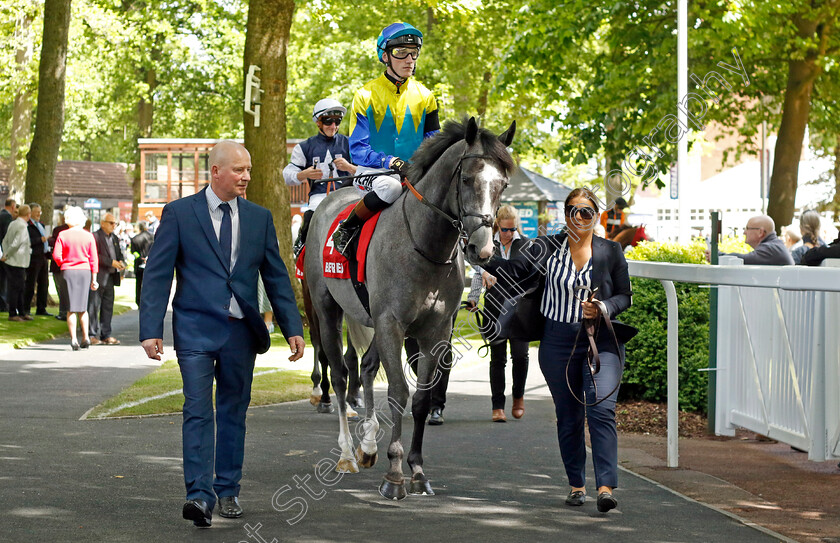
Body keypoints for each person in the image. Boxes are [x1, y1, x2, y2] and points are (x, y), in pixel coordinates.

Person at [139, 140, 305, 528]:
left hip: (240, 333)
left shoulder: (260, 218)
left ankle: (227, 488)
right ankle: (198, 496)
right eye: (238, 170)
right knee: (197, 411)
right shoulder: (179, 213)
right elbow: (159, 274)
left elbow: (277, 277)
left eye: (248, 170)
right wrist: (150, 330)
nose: (246, 176)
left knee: (233, 411)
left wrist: (292, 327)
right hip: (194, 329)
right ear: (215, 171)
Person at [482, 188, 633, 513]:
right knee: (569, 415)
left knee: (601, 409)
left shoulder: (610, 250)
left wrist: (604, 307)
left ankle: (605, 486)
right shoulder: (546, 248)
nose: (580, 217)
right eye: (574, 211)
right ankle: (577, 484)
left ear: (595, 215)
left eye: (587, 211)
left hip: (600, 342)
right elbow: (513, 270)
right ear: (565, 215)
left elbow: (624, 296)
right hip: (557, 342)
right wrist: (480, 258)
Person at [331, 21, 440, 256]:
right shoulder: (365, 95)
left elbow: (435, 143)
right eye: (401, 52)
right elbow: (358, 150)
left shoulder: (427, 97)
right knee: (390, 187)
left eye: (414, 52)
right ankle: (347, 229)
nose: (409, 59)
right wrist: (390, 162)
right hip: (374, 174)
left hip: (414, 174)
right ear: (385, 56)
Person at [467, 206, 532, 422]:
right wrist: (474, 296)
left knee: (521, 356)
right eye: (505, 229)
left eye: (513, 229)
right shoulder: (489, 245)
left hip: (520, 309)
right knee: (497, 358)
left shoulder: (526, 245)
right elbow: (480, 273)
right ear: (497, 226)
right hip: (495, 307)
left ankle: (519, 397)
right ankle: (497, 406)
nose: (510, 233)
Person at [283, 98, 357, 256]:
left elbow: (367, 171)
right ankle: (302, 242)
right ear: (318, 122)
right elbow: (287, 176)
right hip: (320, 196)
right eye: (329, 121)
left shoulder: (350, 144)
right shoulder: (304, 147)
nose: (334, 126)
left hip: (348, 194)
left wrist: (349, 167)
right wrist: (304, 174)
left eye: (337, 121)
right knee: (311, 212)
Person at [53, 207, 98, 349]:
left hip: (68, 271)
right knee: (83, 308)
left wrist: (64, 263)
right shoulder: (88, 236)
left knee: (70, 308)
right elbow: (94, 259)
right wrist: (94, 278)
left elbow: (56, 255)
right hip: (85, 271)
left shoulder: (62, 235)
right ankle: (86, 337)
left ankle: (74, 339)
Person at [88, 213, 126, 345]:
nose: (113, 226)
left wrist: (121, 262)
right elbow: (94, 255)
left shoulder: (114, 237)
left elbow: (119, 254)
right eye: (111, 223)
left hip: (110, 276)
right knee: (93, 305)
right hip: (98, 276)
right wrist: (111, 262)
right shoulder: (95, 237)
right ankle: (91, 334)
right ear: (103, 223)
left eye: (115, 223)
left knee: (108, 306)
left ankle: (106, 334)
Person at [719, 215, 794, 265]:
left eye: (747, 228)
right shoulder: (774, 245)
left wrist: (718, 256)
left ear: (760, 232)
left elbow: (744, 260)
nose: (744, 232)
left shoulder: (771, 248)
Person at [1, 204, 32, 322]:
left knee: (19, 288)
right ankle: (13, 313)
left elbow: (5, 240)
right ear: (28, 215)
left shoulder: (13, 223)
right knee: (16, 288)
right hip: (18, 261)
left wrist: (4, 253)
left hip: (12, 261)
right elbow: (16, 243)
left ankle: (21, 312)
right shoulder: (22, 227)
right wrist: (6, 254)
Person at [24, 203, 52, 317]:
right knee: (30, 283)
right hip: (34, 257)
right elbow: (28, 241)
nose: (39, 214)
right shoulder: (27, 225)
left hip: (43, 256)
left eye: (40, 212)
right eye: (36, 212)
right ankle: (25, 308)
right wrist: (40, 239)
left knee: (44, 283)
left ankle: (41, 308)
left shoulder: (41, 224)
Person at [48, 213, 71, 320]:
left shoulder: (59, 230)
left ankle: (63, 312)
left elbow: (54, 244)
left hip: (60, 264)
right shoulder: (80, 232)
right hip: (72, 265)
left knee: (61, 289)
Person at [130, 221, 154, 305]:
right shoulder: (152, 237)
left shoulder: (135, 239)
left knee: (139, 284)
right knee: (150, 284)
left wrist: (140, 258)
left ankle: (139, 302)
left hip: (139, 264)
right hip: (151, 264)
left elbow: (133, 252)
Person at [0, 198, 17, 312]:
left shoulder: (1, 215)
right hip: (3, 252)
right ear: (12, 206)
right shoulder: (7, 217)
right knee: (4, 279)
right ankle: (4, 305)